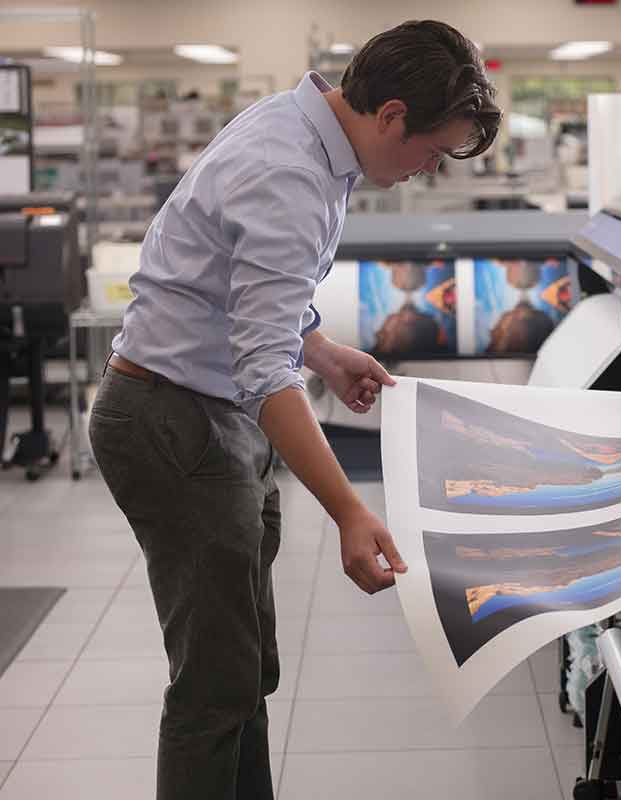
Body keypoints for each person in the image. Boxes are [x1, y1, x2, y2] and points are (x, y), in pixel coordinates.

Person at [87, 20, 501, 800]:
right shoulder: (289, 172)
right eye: (430, 150)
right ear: (390, 117)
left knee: (246, 669)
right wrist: (348, 510)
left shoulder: (302, 127)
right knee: (214, 688)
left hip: (202, 410)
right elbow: (262, 372)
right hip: (172, 421)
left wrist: (326, 351)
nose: (426, 170)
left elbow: (246, 300)